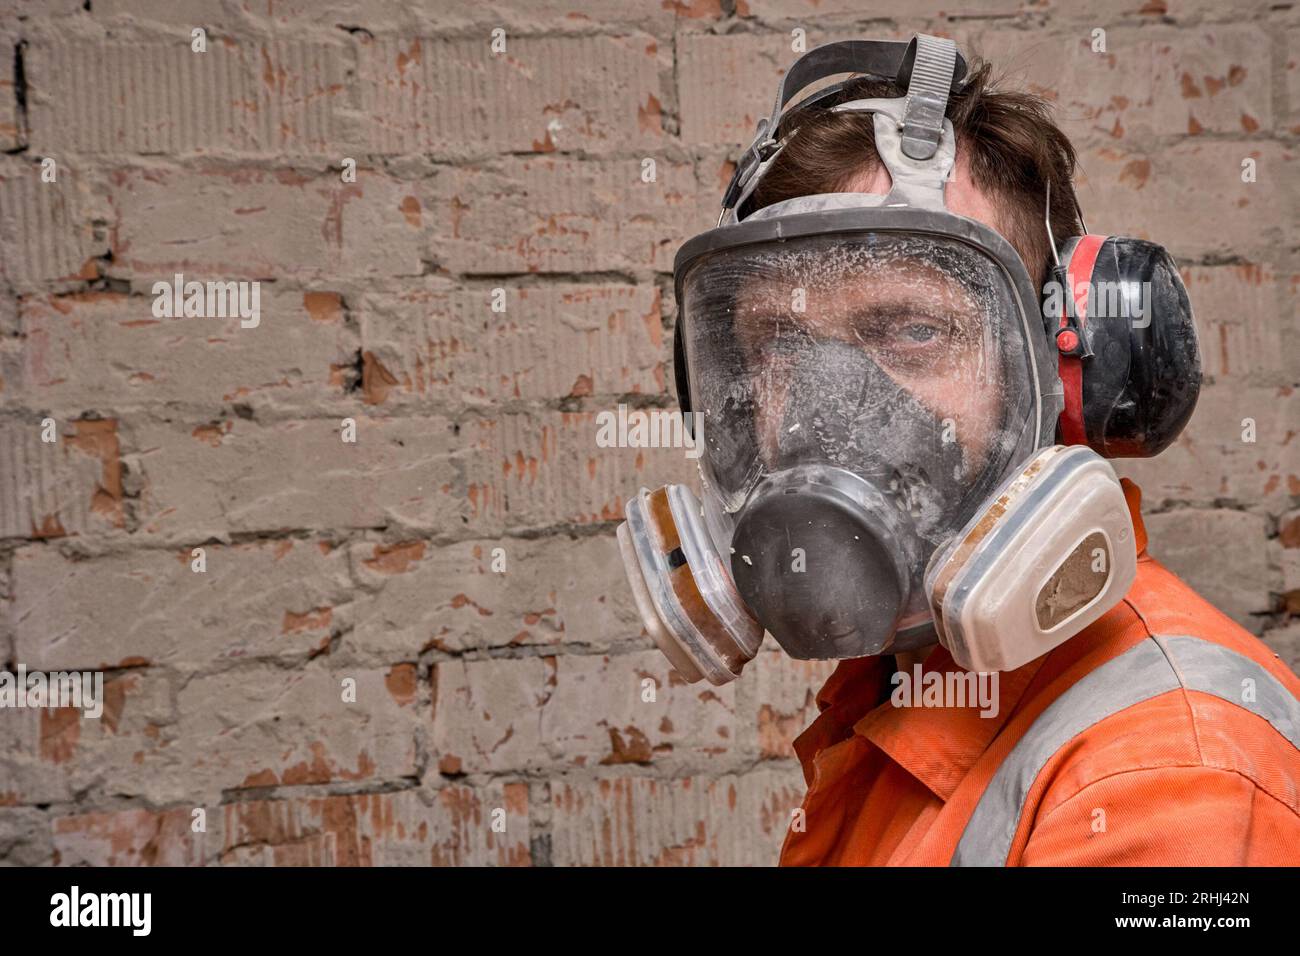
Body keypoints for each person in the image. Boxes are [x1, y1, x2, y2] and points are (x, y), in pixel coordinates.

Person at [617, 34, 1300, 866]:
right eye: (779, 341)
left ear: (1070, 371)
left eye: (911, 328)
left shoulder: (1164, 770)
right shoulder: (904, 694)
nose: (831, 407)